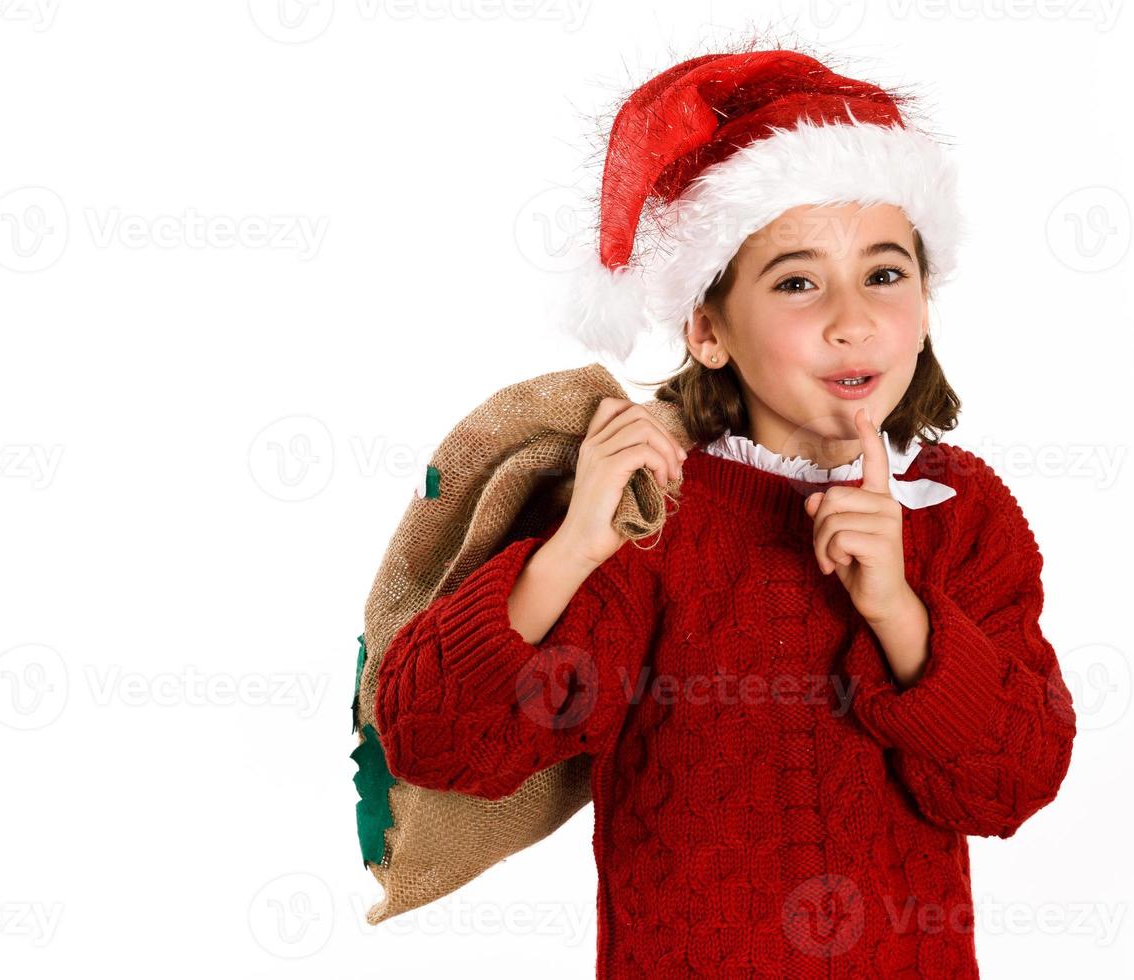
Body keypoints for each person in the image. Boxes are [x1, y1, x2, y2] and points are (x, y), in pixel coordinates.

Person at [373, 43, 1077, 979]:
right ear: (706, 330)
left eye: (883, 273)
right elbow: (442, 743)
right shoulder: (652, 514)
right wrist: (575, 545)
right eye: (795, 281)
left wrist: (900, 615)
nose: (850, 319)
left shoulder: (960, 511)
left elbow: (1010, 785)